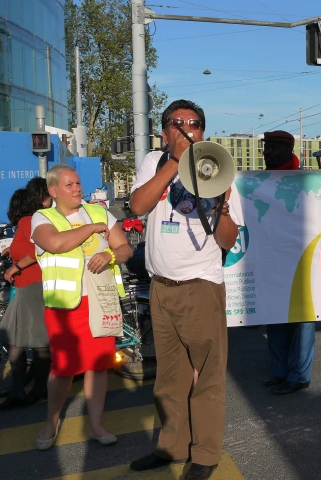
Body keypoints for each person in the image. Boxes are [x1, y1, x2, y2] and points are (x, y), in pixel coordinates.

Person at [128, 99, 242, 480]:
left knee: (206, 376)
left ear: (203, 132)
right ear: (164, 133)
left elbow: (228, 239)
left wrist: (222, 206)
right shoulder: (154, 162)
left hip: (200, 286)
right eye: (178, 124)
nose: (187, 130)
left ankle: (205, 453)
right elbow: (138, 205)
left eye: (195, 124)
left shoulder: (218, 168)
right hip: (160, 286)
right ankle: (171, 446)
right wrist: (175, 163)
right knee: (170, 377)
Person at [31, 164, 133, 451]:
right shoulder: (42, 217)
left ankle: (97, 424)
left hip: (101, 300)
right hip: (65, 306)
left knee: (99, 366)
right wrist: (94, 228)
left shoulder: (99, 211)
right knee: (63, 369)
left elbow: (125, 249)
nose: (77, 188)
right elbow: (56, 243)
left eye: (78, 183)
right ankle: (51, 421)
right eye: (69, 185)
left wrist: (110, 253)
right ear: (53, 191)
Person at [259, 130, 315, 395]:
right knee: (276, 320)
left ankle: (299, 375)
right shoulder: (260, 181)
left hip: (301, 262)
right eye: (265, 149)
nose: (267, 154)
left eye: (272, 148)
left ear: (287, 150)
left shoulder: (307, 181)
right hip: (272, 261)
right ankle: (280, 372)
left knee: (302, 323)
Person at [0, 188, 51, 410]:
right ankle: (27, 388)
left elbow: (36, 249)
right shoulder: (30, 222)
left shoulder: (27, 221)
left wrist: (15, 267)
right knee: (24, 339)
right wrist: (11, 251)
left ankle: (31, 388)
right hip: (29, 285)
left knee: (29, 341)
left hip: (32, 286)